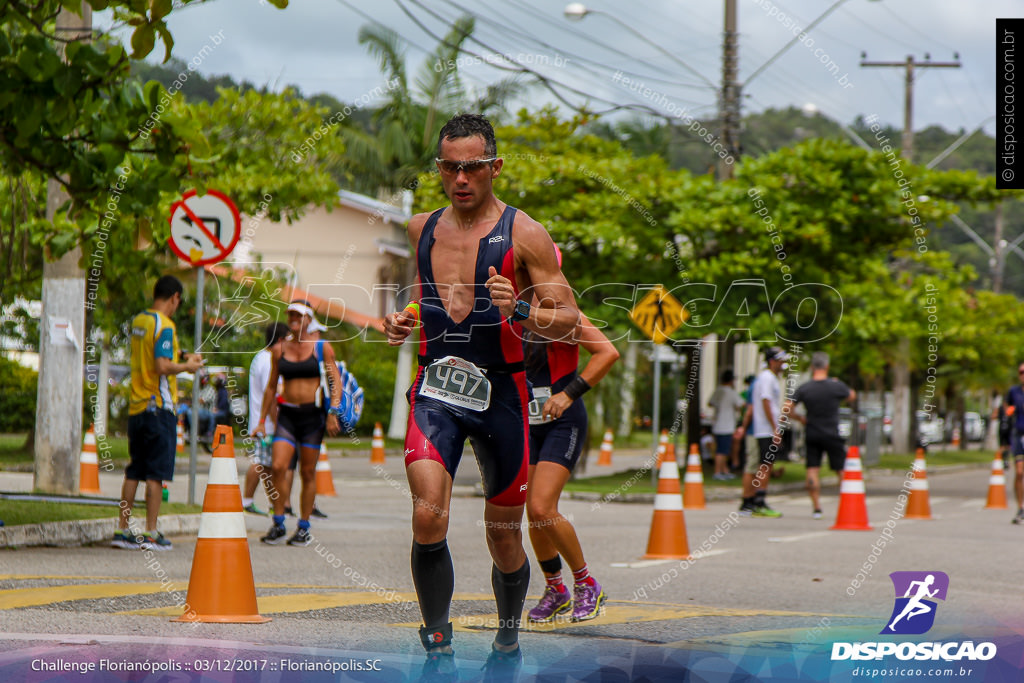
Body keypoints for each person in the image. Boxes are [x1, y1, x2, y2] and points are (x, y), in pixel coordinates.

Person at [383, 113, 580, 676]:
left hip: (504, 395)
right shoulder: (420, 227)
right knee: (428, 516)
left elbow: (569, 322)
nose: (460, 178)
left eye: (472, 167)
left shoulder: (525, 234)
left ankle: (509, 637)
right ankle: (437, 641)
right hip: (437, 387)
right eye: (449, 167)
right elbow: (430, 300)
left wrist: (517, 306)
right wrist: (404, 321)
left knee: (505, 538)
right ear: (439, 168)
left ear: (495, 167)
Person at [522, 250, 618, 624]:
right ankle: (556, 588)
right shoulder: (509, 308)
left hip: (563, 418)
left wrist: (568, 393)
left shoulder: (564, 313)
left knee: (543, 506)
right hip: (525, 420)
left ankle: (586, 583)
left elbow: (607, 353)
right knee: (532, 513)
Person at [113, 275, 202, 550]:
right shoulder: (165, 325)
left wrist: (181, 356)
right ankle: (151, 532)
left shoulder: (140, 321)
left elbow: (155, 353)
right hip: (159, 408)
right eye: (178, 301)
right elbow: (163, 365)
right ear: (175, 297)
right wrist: (188, 367)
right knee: (155, 475)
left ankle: (122, 530)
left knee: (134, 471)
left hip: (137, 407)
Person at [254, 300, 342, 546]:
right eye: (290, 314)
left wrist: (334, 412)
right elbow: (272, 387)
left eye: (298, 315)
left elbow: (336, 382)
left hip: (312, 418)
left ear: (308, 319)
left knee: (307, 472)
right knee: (279, 467)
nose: (293, 318)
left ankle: (303, 527)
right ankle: (279, 522)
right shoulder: (279, 350)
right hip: (287, 417)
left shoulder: (322, 348)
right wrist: (261, 421)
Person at [784, 352, 855, 519]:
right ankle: (848, 503)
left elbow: (787, 408)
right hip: (832, 432)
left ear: (811, 367)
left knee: (812, 468)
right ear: (827, 366)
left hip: (812, 431)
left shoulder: (805, 387)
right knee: (841, 469)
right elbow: (852, 395)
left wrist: (800, 418)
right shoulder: (835, 386)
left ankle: (816, 507)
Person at [242, 322, 289, 516]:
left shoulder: (260, 357)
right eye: (288, 339)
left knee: (267, 465)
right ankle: (247, 501)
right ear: (279, 340)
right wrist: (276, 423)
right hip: (266, 424)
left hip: (260, 421)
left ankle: (273, 504)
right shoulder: (270, 361)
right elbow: (270, 397)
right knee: (261, 463)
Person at [737, 347, 788, 518]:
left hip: (761, 429)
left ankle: (749, 501)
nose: (783, 364)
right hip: (764, 429)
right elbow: (766, 402)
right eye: (780, 361)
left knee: (759, 466)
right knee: (764, 466)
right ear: (772, 361)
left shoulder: (764, 378)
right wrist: (775, 428)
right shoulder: (767, 378)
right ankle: (759, 502)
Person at [708, 369, 746, 480]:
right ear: (731, 381)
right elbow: (742, 404)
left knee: (721, 448)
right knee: (723, 450)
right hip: (727, 425)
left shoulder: (718, 390)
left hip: (717, 424)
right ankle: (717, 472)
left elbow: (710, 403)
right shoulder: (731, 392)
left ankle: (725, 471)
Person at [1005, 362, 1024, 524]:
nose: (1023, 375)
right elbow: (1007, 409)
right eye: (1021, 372)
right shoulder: (1014, 391)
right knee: (1019, 472)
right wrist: (1009, 411)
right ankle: (1020, 507)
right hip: (1019, 434)